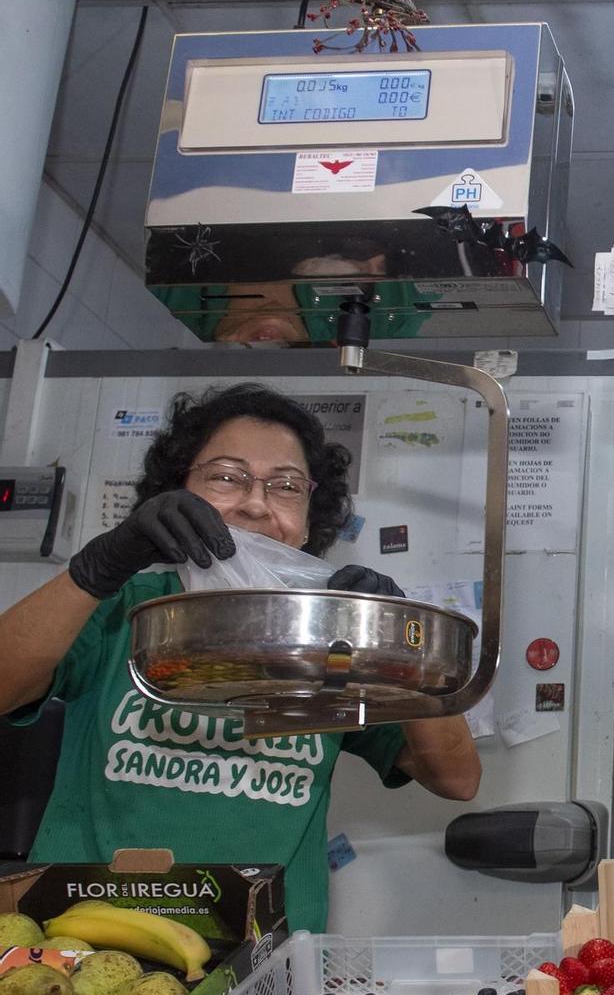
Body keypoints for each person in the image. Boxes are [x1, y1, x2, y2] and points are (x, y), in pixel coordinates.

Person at [0, 383, 482, 932]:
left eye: (286, 487)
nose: (255, 503)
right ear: (176, 491)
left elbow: (455, 778)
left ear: (308, 515)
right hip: (90, 934)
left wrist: (400, 647)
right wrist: (100, 567)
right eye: (226, 478)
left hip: (268, 957)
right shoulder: (122, 612)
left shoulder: (333, 642)